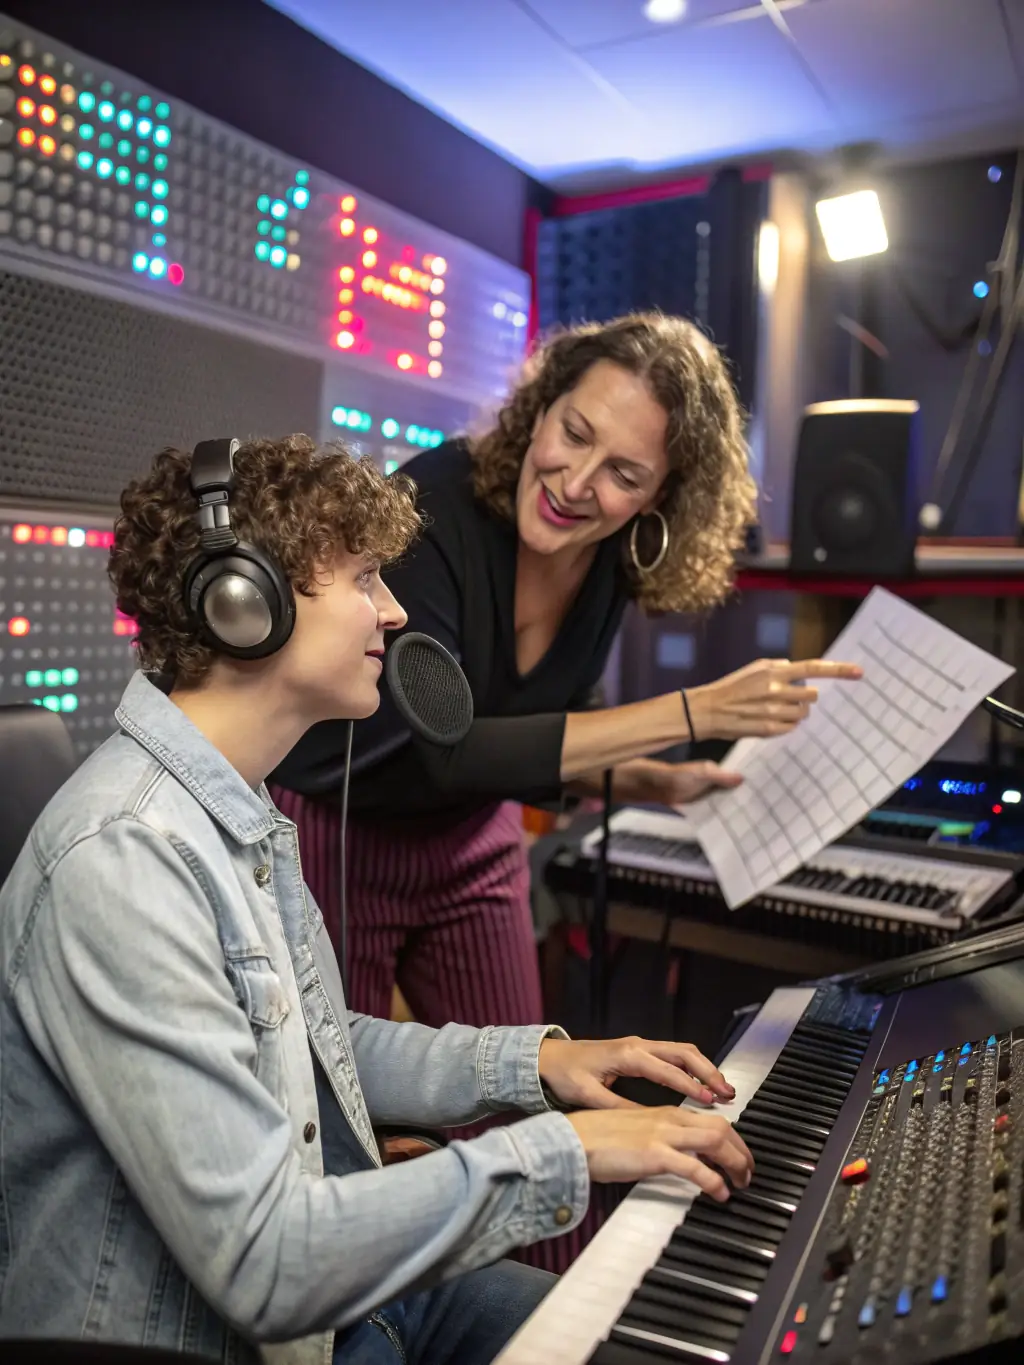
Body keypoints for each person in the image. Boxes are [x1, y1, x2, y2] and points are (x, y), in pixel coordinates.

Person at [0, 435, 755, 1365]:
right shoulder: (126, 859)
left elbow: (313, 1041)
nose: (396, 611)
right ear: (245, 604)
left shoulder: (236, 808)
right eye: (364, 578)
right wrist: (573, 1149)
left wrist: (538, 1064)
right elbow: (267, 1261)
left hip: (345, 1309)